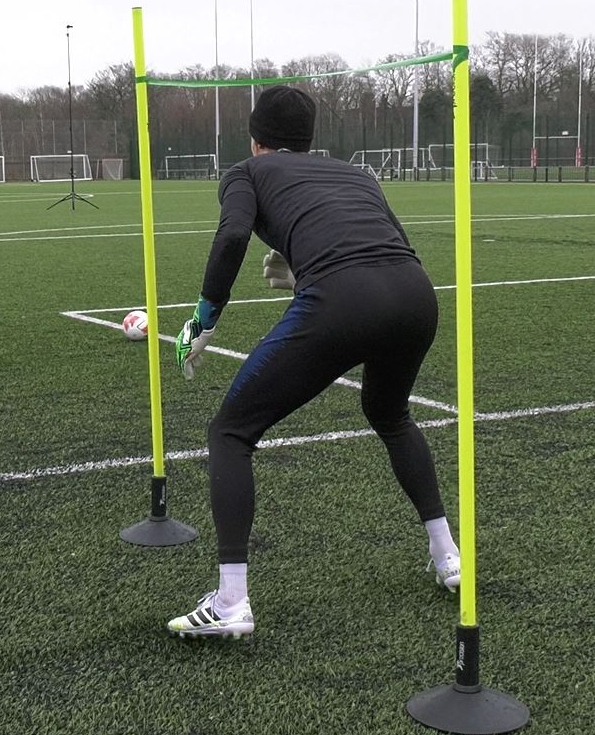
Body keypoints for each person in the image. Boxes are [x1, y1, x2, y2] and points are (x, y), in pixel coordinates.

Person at [166, 85, 458, 640]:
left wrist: (206, 318)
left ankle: (231, 601)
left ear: (255, 140)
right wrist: (306, 267)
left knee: (231, 432)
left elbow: (232, 234)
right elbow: (387, 241)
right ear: (310, 138)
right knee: (391, 415)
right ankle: (449, 555)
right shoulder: (355, 173)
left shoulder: (246, 173)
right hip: (416, 294)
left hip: (342, 300)